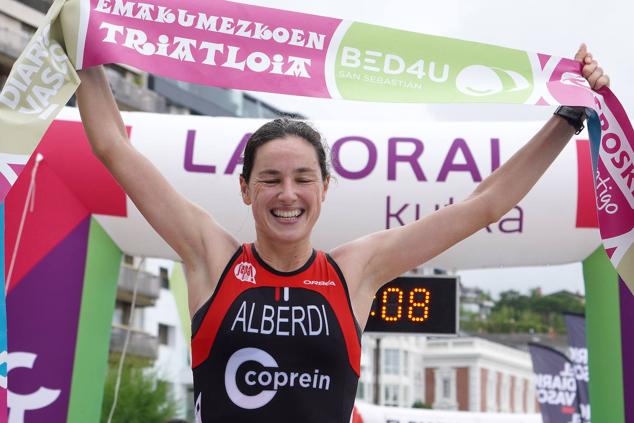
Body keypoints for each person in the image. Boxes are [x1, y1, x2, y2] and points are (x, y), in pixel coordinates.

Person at [76, 44, 608, 423]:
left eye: (303, 178)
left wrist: (567, 116)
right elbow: (111, 145)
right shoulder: (211, 256)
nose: (288, 194)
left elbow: (484, 205)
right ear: (245, 189)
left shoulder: (354, 270)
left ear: (325, 188)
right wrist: (80, 42)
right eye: (270, 179)